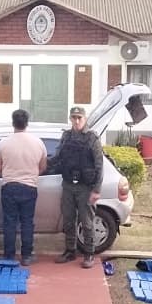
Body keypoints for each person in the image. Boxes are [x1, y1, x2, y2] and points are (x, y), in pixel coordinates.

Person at [0, 108, 48, 265]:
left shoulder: (3, 143)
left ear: (13, 123)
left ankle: (9, 256)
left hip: (9, 186)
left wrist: (9, 175)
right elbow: (43, 167)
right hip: (29, 187)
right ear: (27, 123)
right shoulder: (38, 143)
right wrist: (30, 175)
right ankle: (27, 256)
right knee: (27, 222)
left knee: (9, 222)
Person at [52, 106, 102, 268]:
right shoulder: (66, 136)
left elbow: (99, 165)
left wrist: (96, 190)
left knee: (87, 222)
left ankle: (89, 253)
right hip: (68, 185)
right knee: (68, 220)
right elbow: (58, 157)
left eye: (80, 117)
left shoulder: (92, 138)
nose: (77, 120)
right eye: (74, 117)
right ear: (70, 119)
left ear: (84, 119)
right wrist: (41, 164)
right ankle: (70, 251)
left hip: (85, 187)